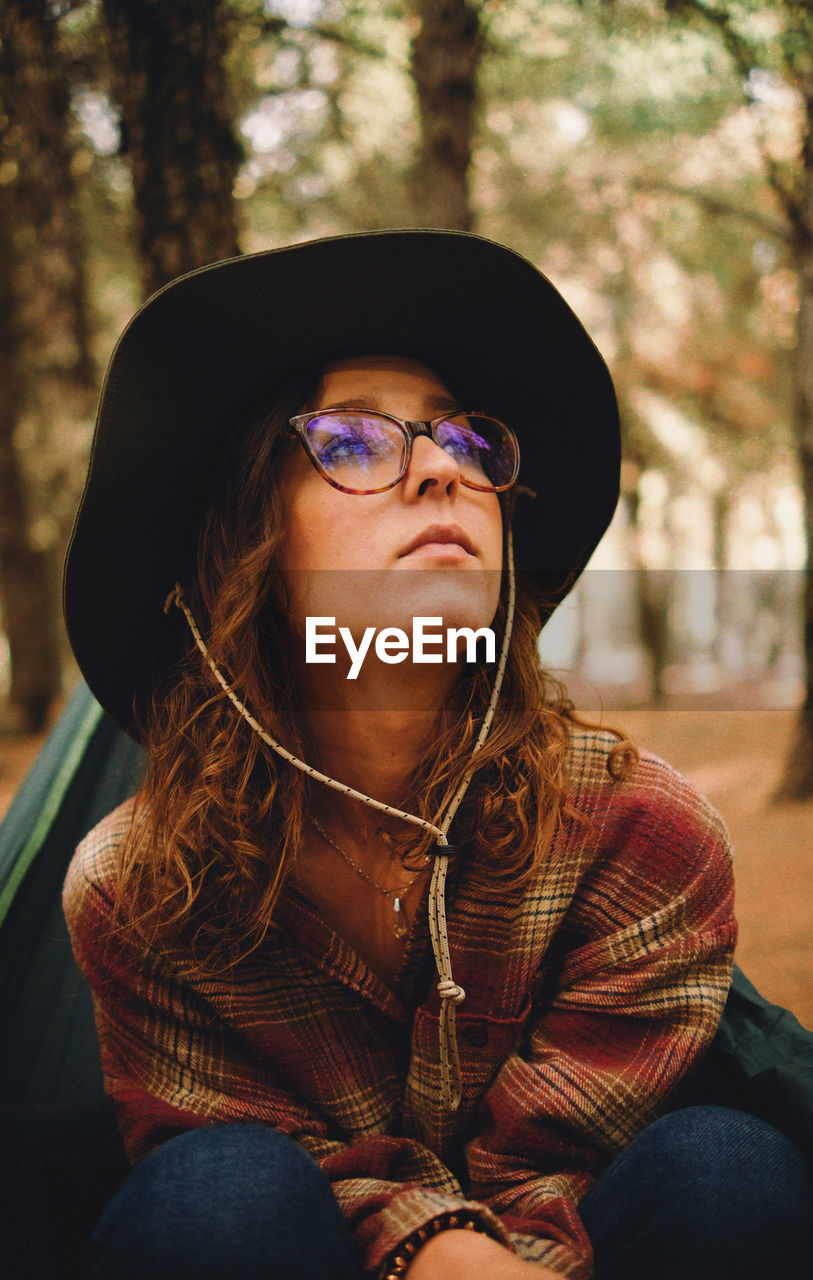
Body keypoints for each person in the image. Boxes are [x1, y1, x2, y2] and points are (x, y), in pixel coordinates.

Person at [62, 231, 813, 1280]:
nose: (441, 470)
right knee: (222, 1191)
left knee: (726, 1166)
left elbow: (558, 1172)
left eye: (466, 442)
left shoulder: (644, 835)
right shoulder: (142, 885)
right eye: (358, 444)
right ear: (249, 541)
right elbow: (242, 1162)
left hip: (584, 1245)